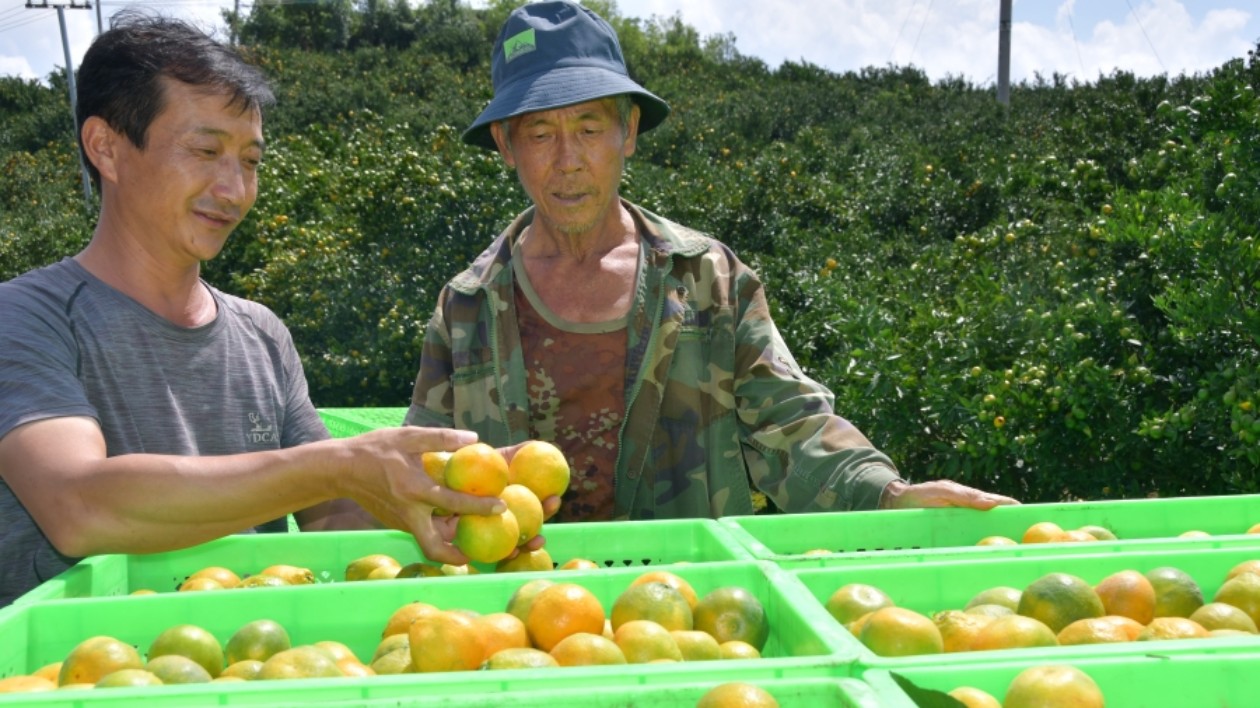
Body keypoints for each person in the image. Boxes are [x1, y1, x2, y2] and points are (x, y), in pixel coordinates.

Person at [405, 1, 1018, 522]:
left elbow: (791, 425)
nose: (568, 159)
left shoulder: (706, 280)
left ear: (630, 133)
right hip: (519, 620)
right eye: (540, 134)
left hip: (690, 611)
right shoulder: (468, 305)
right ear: (506, 147)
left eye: (589, 128)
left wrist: (888, 496)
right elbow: (426, 466)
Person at [0, 13, 502, 608]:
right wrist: (337, 463)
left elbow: (331, 520)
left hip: (247, 674)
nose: (235, 189)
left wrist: (457, 493)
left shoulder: (261, 334)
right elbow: (78, 506)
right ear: (106, 148)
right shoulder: (27, 319)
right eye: (206, 150)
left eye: (251, 161)